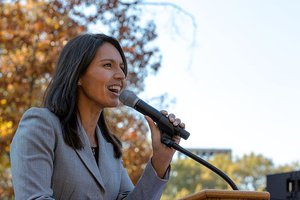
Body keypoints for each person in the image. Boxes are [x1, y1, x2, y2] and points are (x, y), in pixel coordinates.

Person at [10, 33, 185, 200]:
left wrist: (160, 160)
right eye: (108, 65)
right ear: (78, 75)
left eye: (122, 68)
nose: (121, 76)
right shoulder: (41, 125)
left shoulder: (110, 150)